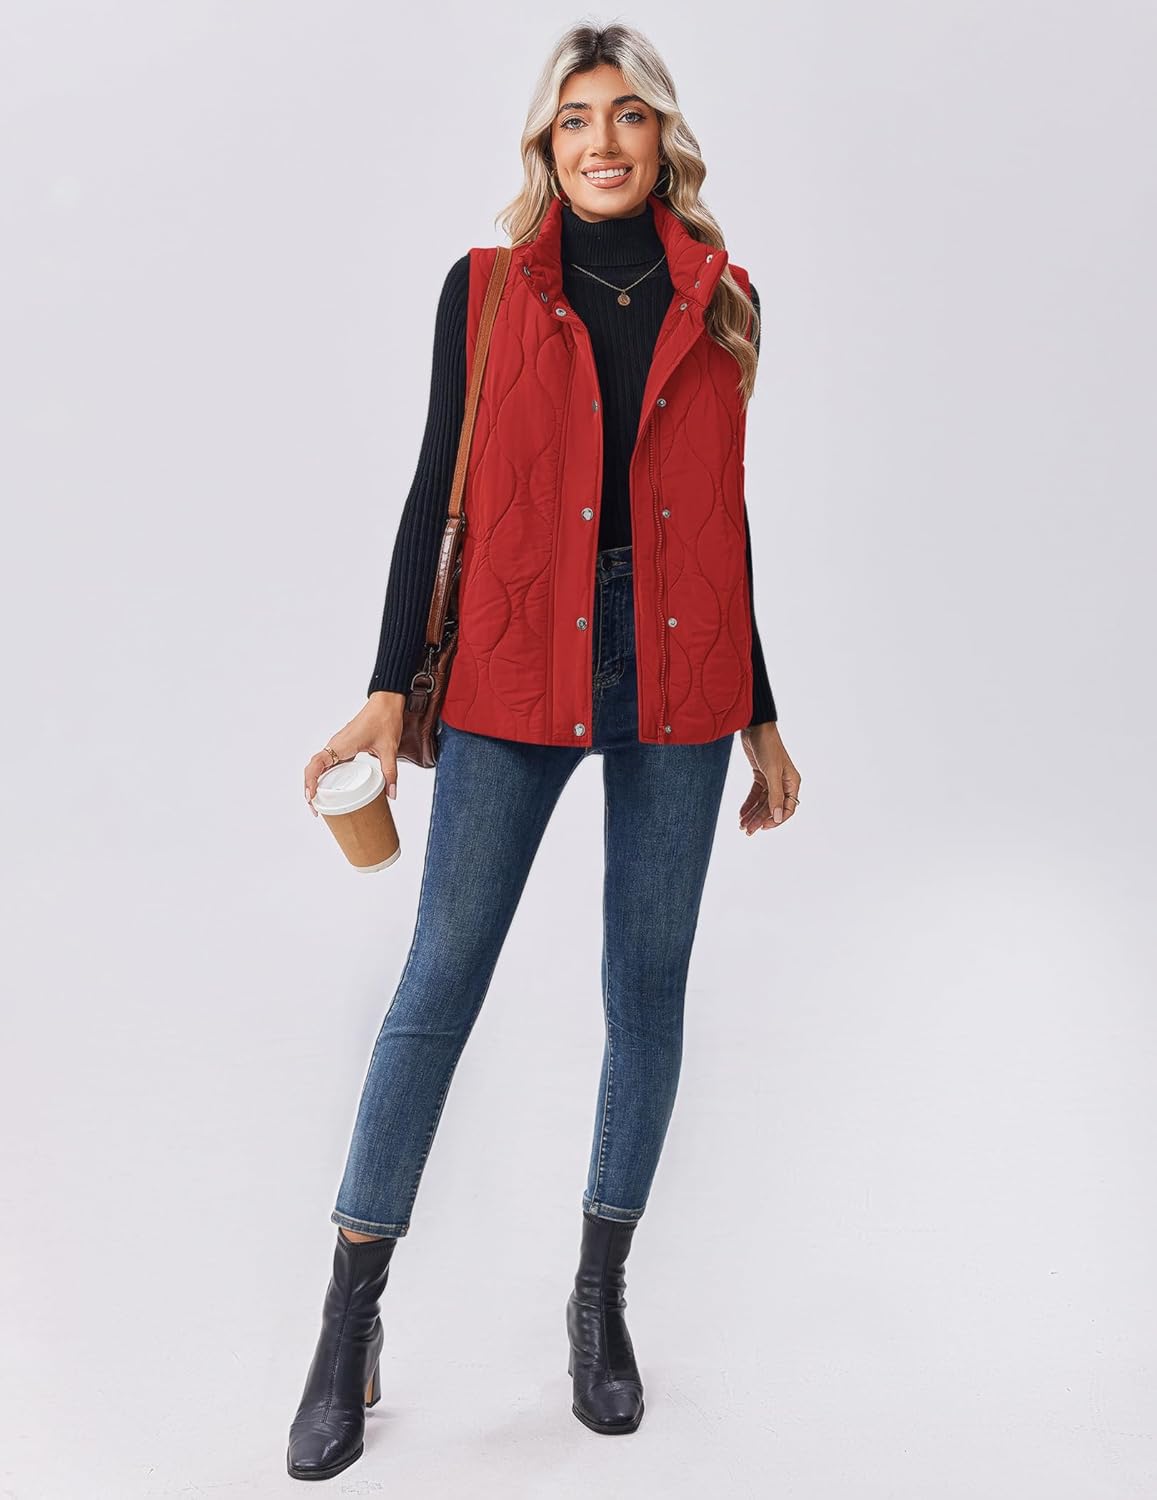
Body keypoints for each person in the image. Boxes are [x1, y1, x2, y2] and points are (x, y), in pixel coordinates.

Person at [288, 22, 802, 1481]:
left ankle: (598, 1299)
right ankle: (348, 1317)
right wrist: (387, 686)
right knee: (439, 980)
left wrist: (761, 714)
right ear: (544, 144)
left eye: (626, 115)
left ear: (663, 139)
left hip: (682, 673)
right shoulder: (484, 290)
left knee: (646, 992)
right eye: (574, 119)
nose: (601, 141)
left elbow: (720, 522)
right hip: (516, 659)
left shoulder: (725, 300)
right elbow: (429, 491)